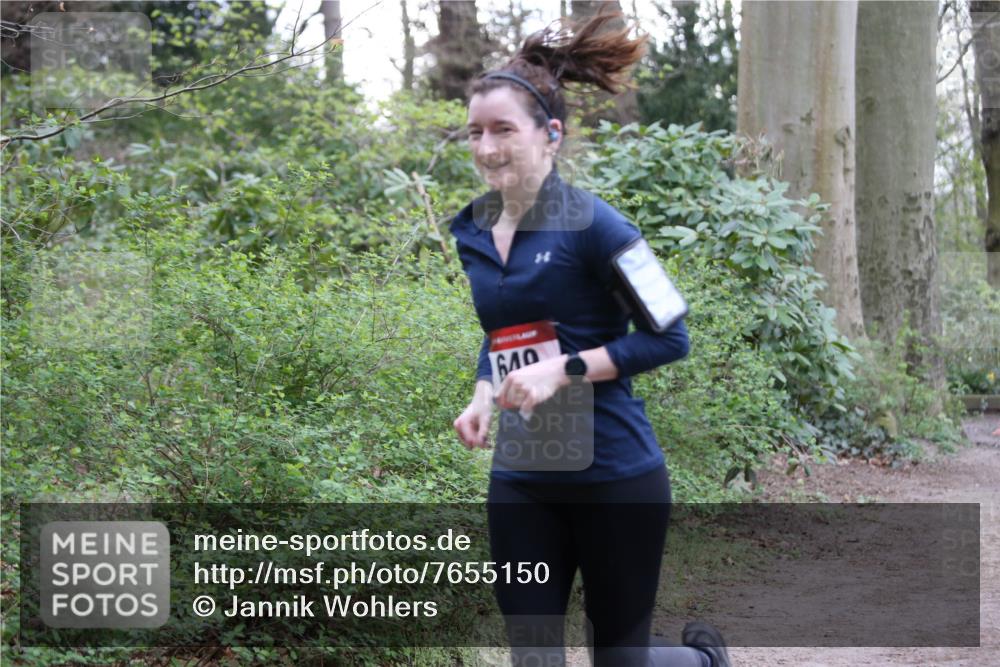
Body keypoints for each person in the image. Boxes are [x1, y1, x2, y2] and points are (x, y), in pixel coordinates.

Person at [449, 10, 731, 667]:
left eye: (502, 130)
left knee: (619, 661)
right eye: (474, 132)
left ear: (551, 135)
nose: (486, 148)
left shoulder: (604, 228)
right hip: (522, 477)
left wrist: (563, 371)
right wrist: (483, 392)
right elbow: (502, 332)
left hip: (616, 477)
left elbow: (671, 337)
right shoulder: (472, 231)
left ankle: (705, 661)